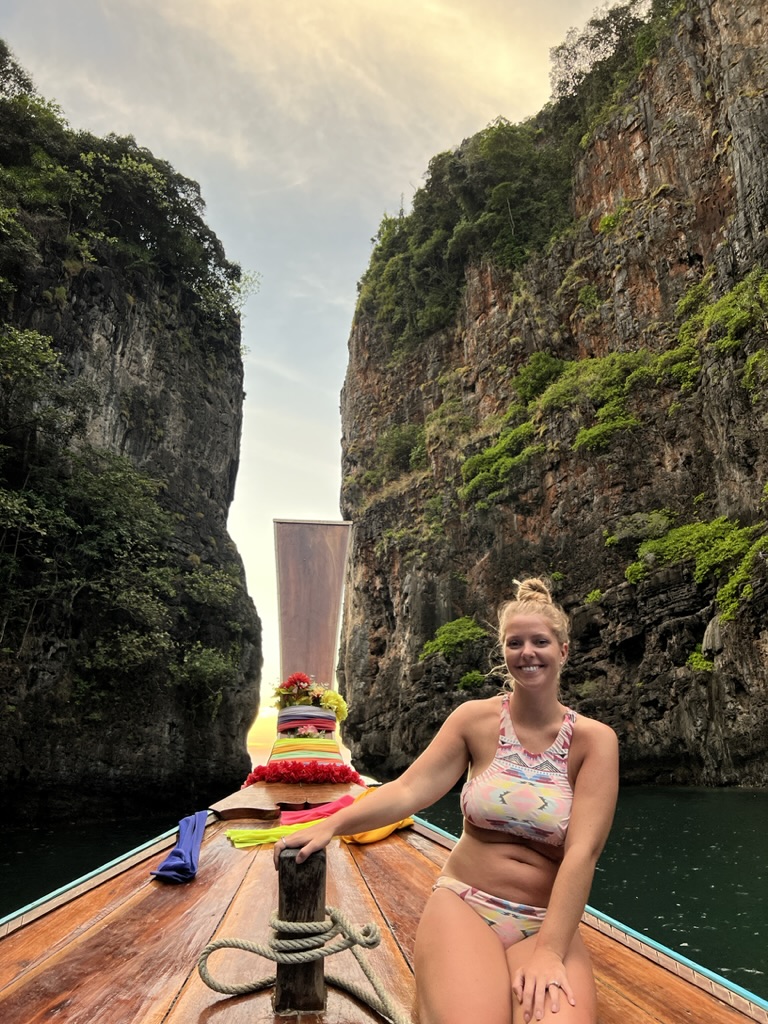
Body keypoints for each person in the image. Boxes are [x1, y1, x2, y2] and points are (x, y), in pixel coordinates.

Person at [274, 577, 619, 1024]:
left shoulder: (594, 742)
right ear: (504, 652)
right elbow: (408, 790)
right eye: (515, 643)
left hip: (545, 919)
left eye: (540, 642)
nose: (527, 652)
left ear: (563, 651)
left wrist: (551, 951)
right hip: (466, 904)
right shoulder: (474, 721)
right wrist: (333, 825)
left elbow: (582, 853)